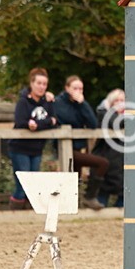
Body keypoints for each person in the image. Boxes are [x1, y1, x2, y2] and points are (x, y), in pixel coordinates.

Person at [53, 75, 108, 210]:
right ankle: (89, 198)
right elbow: (66, 119)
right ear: (67, 88)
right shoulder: (58, 103)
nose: (78, 91)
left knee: (75, 180)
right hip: (64, 148)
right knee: (102, 163)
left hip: (78, 148)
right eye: (75, 88)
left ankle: (79, 202)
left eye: (81, 88)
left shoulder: (81, 104)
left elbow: (93, 123)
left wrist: (82, 103)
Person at [8, 67, 58, 209]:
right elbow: (21, 122)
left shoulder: (48, 101)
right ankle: (15, 213)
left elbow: (54, 121)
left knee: (33, 185)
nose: (41, 87)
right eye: (39, 83)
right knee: (23, 185)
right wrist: (42, 123)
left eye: (44, 84)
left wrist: (39, 124)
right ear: (32, 83)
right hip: (20, 148)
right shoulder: (23, 102)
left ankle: (29, 214)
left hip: (36, 149)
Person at [92, 89, 126, 208]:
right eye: (116, 100)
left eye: (122, 100)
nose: (119, 103)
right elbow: (115, 123)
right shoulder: (104, 114)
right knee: (103, 193)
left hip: (122, 162)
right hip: (107, 158)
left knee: (124, 194)